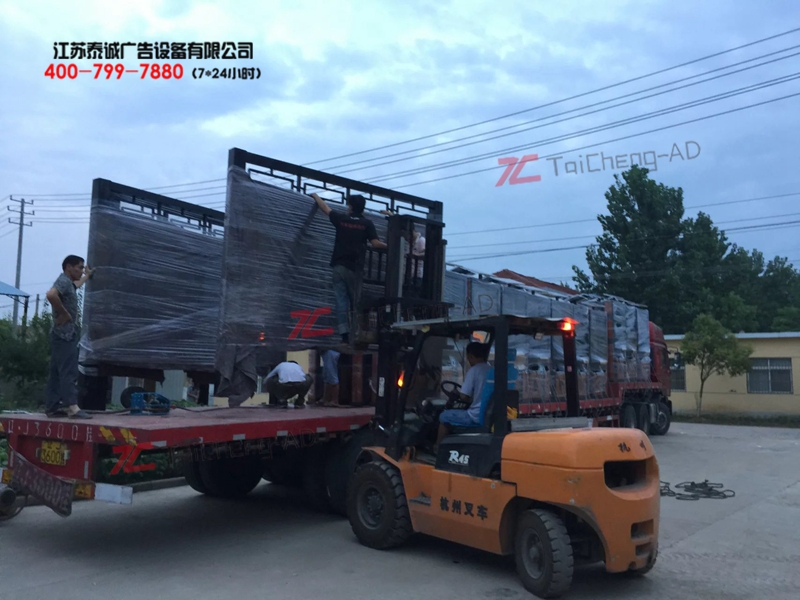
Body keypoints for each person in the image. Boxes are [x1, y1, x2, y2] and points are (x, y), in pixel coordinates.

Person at [311, 192, 386, 344]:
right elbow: (376, 243)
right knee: (356, 302)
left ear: (350, 206)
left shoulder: (341, 219)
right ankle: (356, 334)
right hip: (354, 268)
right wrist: (395, 247)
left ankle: (344, 334)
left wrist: (315, 195)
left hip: (338, 266)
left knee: (341, 301)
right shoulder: (366, 224)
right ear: (363, 208)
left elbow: (325, 208)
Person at [45, 255, 93, 419]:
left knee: (56, 372)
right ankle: (73, 407)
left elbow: (75, 285)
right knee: (69, 370)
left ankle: (52, 406)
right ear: (69, 267)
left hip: (59, 334)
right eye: (79, 267)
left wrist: (87, 276)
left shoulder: (67, 283)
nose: (81, 271)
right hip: (65, 335)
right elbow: (51, 295)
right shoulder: (64, 281)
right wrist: (65, 314)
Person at [436, 342, 492, 446]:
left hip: (475, 416)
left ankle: (437, 448)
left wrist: (457, 394)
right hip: (487, 414)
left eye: (468, 357)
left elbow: (464, 396)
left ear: (471, 356)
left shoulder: (474, 370)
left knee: (444, 416)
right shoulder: (491, 370)